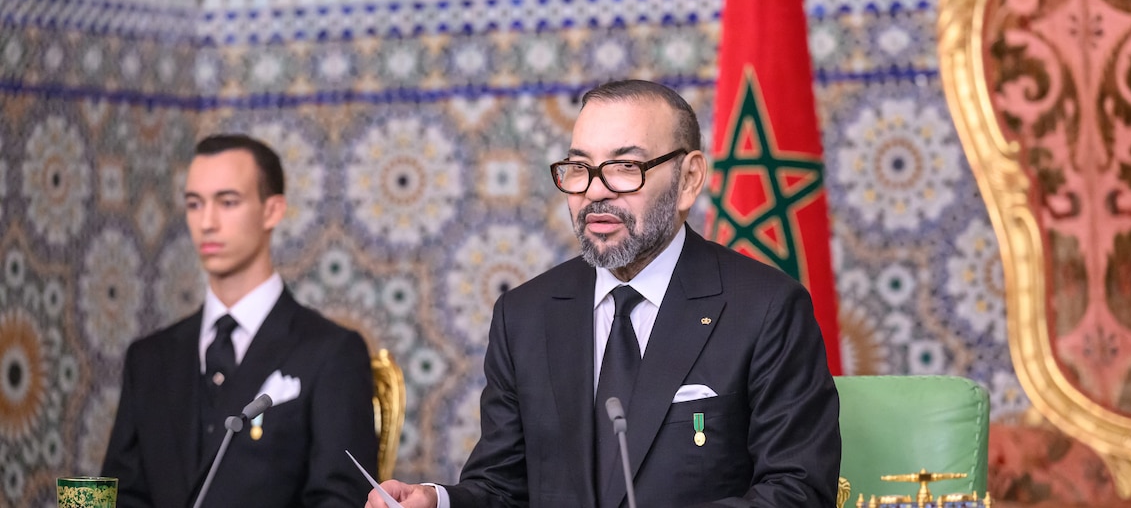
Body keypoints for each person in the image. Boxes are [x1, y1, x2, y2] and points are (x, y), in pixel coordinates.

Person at [367, 79, 841, 508]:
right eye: (579, 168)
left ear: (689, 179)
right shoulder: (525, 315)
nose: (595, 192)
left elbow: (796, 490)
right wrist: (438, 502)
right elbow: (503, 487)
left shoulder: (765, 308)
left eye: (623, 167)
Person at [103, 133, 378, 508]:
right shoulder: (148, 358)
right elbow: (122, 495)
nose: (207, 222)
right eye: (194, 204)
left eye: (227, 202)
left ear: (272, 210)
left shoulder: (331, 352)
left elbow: (342, 499)